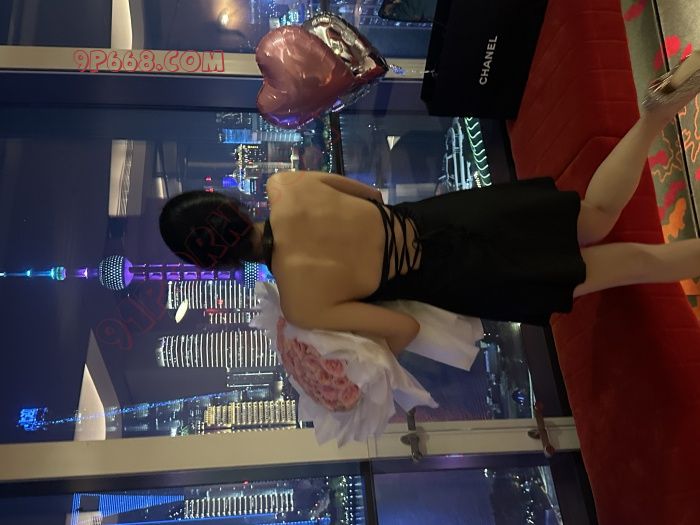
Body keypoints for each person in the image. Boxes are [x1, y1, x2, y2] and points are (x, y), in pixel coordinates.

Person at [160, 52, 700, 357]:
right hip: (455, 217)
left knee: (630, 265)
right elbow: (372, 197)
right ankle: (654, 113)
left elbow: (405, 331)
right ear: (224, 205)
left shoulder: (301, 303)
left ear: (214, 262)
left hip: (464, 276)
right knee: (592, 218)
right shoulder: (287, 188)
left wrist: (358, 357)